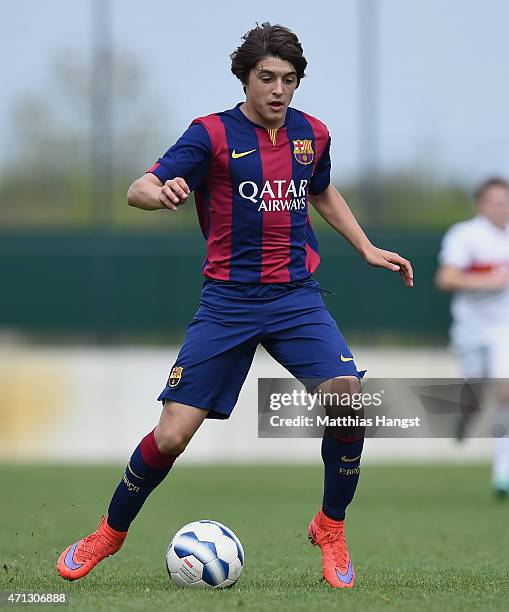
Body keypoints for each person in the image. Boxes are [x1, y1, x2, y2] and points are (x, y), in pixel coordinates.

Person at [56, 22, 413, 588]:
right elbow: (139, 188)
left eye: (289, 80)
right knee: (171, 435)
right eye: (267, 78)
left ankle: (331, 526)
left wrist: (365, 246)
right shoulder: (211, 134)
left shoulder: (313, 134)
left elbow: (319, 187)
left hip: (297, 298)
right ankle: (109, 532)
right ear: (245, 79)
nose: (278, 90)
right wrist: (162, 193)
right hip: (228, 303)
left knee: (349, 403)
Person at [436, 177, 509, 497]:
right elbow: (446, 278)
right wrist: (489, 282)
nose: (501, 206)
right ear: (481, 204)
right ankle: (466, 414)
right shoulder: (465, 235)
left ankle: (502, 474)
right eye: (494, 200)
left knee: (506, 391)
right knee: (476, 395)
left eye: (505, 200)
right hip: (471, 328)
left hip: (503, 328)